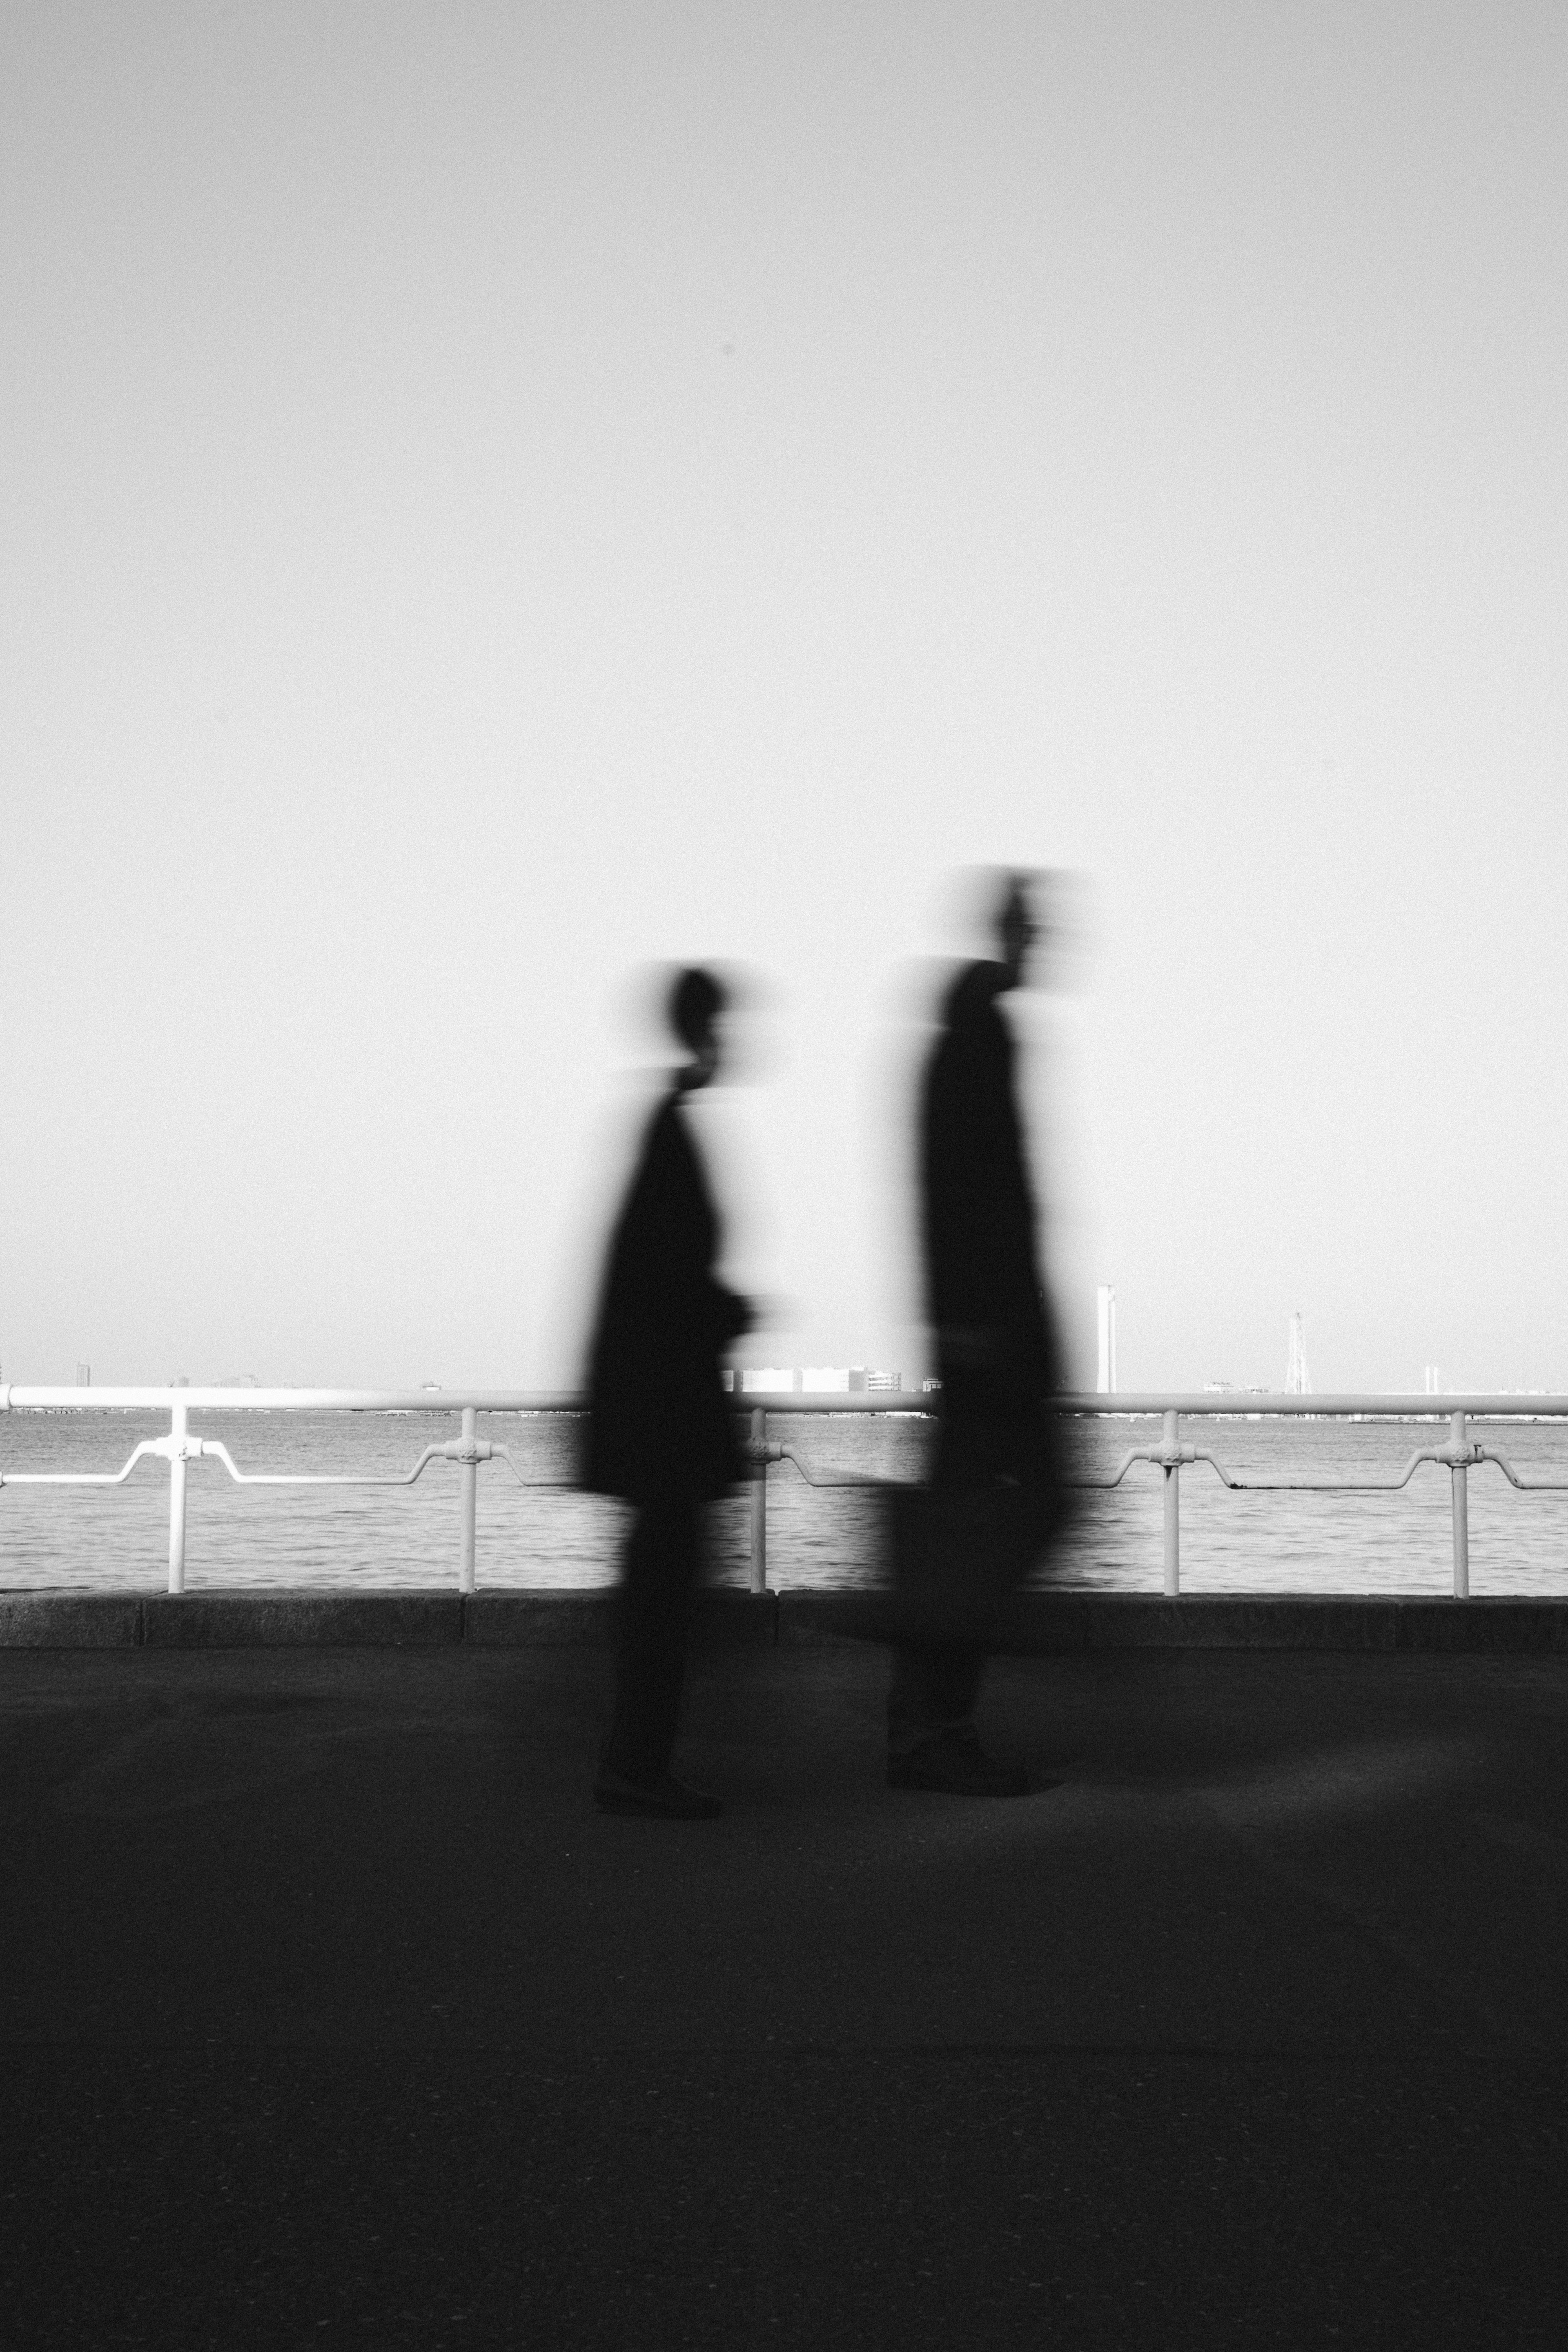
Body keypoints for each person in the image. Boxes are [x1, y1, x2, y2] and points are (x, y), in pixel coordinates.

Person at [887, 871, 1066, 1796]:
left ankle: (930, 1722)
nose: (1049, 942)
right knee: (991, 1527)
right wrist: (973, 1326)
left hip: (982, 1331)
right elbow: (971, 1197)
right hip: (991, 1336)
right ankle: (932, 1726)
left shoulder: (967, 1034)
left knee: (970, 1531)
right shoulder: (978, 1037)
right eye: (1037, 926)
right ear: (1013, 933)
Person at [582, 966, 753, 1819]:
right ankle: (636, 1766)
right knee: (661, 1602)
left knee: (659, 1594)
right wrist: (731, 1308)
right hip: (666, 1423)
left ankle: (637, 1761)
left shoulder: (663, 1126)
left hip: (652, 1422)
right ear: (706, 1030)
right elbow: (671, 1281)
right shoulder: (672, 1134)